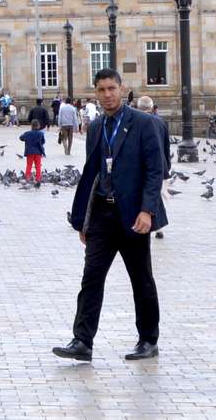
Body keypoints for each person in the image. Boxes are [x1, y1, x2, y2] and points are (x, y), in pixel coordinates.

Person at [54, 69, 166, 363]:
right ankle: (82, 340)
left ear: (122, 89)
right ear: (96, 93)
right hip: (103, 214)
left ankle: (148, 339)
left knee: (141, 279)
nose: (107, 94)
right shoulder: (95, 127)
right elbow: (93, 174)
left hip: (132, 215)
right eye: (101, 90)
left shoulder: (144, 123)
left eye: (112, 88)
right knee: (91, 277)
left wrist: (147, 210)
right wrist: (84, 219)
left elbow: (155, 170)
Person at [18, 119, 47, 184]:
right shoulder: (41, 133)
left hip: (29, 152)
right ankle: (38, 179)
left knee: (29, 165)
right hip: (38, 152)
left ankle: (27, 178)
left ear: (31, 126)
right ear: (38, 126)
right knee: (38, 166)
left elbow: (21, 138)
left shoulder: (27, 133)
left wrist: (24, 134)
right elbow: (43, 142)